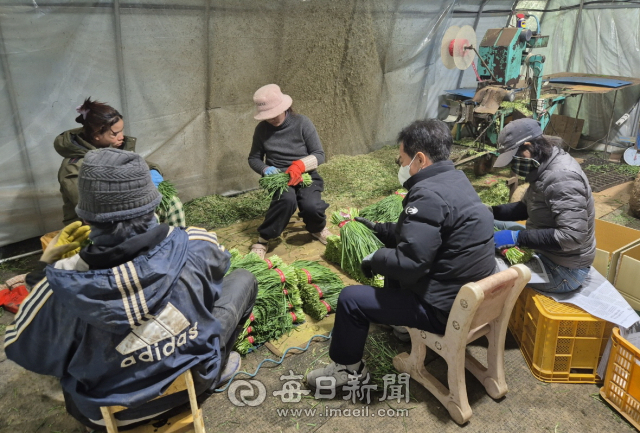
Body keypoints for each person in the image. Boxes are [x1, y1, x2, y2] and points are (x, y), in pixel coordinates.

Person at [4, 149, 258, 430]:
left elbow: (22, 348)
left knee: (61, 345)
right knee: (244, 279)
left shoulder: (61, 285)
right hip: (193, 384)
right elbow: (219, 270)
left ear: (86, 218)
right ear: (154, 204)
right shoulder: (196, 245)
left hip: (106, 416)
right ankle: (216, 369)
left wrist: (51, 262)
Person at [305, 119, 496, 389]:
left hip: (444, 309)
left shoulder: (427, 194)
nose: (400, 165)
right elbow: (427, 233)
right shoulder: (455, 179)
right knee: (393, 257)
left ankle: (348, 372)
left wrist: (376, 258)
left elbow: (410, 263)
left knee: (351, 299)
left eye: (402, 159)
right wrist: (380, 229)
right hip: (466, 294)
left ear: (419, 159)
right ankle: (402, 329)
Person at [491, 118, 596, 293]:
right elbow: (525, 208)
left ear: (528, 146)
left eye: (514, 157)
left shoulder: (561, 177)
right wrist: (489, 211)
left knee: (486, 268)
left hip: (564, 269)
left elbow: (572, 236)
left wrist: (516, 238)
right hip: (549, 252)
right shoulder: (543, 166)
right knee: (493, 222)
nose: (514, 164)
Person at [55, 97, 185, 227]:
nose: (121, 136)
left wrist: (152, 172)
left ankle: (175, 243)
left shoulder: (114, 148)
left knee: (173, 204)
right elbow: (90, 205)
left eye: (121, 130)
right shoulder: (73, 167)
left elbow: (143, 164)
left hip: (126, 207)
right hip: (92, 224)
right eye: (115, 133)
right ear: (96, 135)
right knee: (145, 220)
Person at [248, 84, 331, 259]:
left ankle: (317, 228)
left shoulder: (302, 123)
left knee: (311, 206)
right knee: (286, 201)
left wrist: (300, 165)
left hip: (305, 174)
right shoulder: (262, 130)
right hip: (280, 177)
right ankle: (263, 239)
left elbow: (319, 154)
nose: (270, 119)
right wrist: (265, 169)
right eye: (266, 116)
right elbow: (253, 158)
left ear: (284, 107)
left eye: (273, 114)